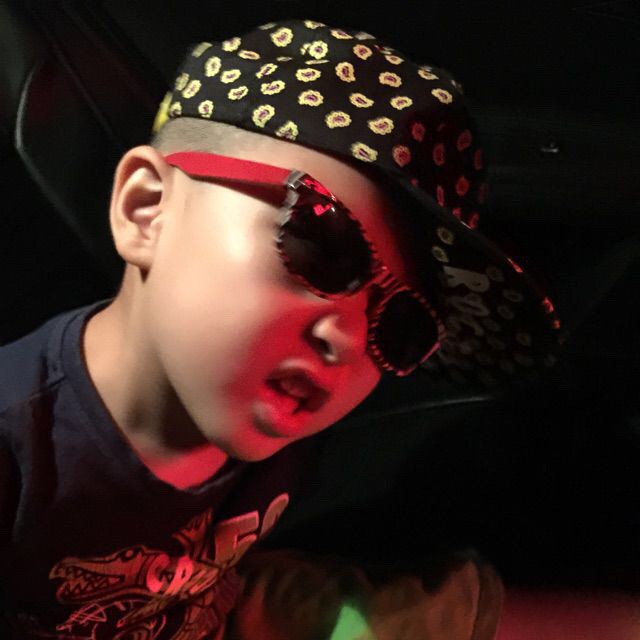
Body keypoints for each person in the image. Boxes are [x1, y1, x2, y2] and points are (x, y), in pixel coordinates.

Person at [0, 17, 561, 639]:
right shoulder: (17, 444)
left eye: (402, 325)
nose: (349, 339)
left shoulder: (275, 423)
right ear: (147, 208)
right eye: (320, 249)